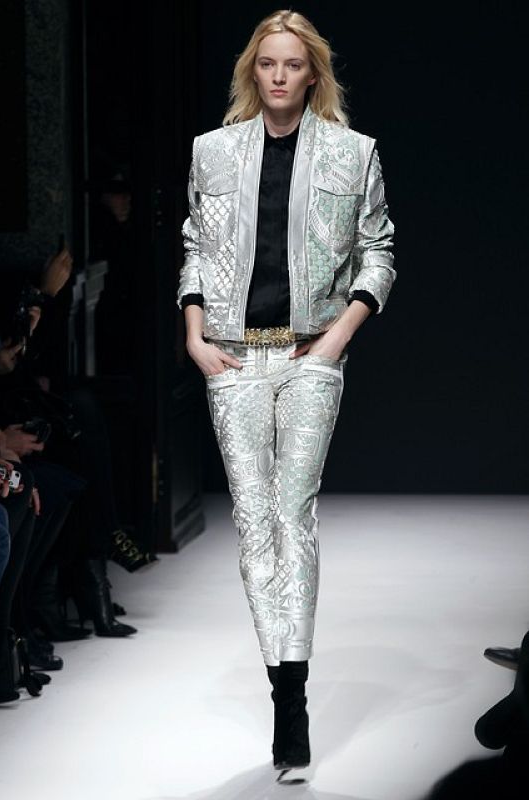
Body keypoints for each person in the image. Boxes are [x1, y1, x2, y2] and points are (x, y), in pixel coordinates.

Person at [177, 10, 396, 775]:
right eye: (267, 63)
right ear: (253, 70)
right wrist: (195, 336)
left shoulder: (352, 152)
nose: (278, 75)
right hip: (233, 358)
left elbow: (378, 251)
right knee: (252, 525)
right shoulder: (211, 151)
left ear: (312, 74)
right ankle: (281, 678)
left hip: (309, 356)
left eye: (292, 65)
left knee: (292, 514)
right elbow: (195, 246)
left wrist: (337, 339)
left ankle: (291, 699)